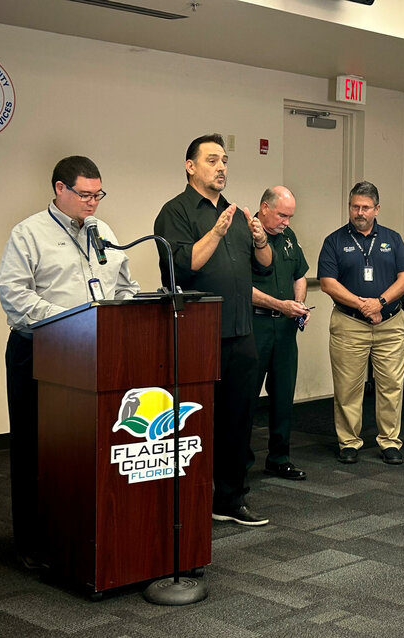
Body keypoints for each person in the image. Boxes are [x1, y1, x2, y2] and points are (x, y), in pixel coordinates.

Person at [0, 156, 140, 566]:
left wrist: (126, 314)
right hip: (41, 352)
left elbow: (126, 285)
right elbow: (15, 295)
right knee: (37, 450)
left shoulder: (103, 231)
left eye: (99, 194)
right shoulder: (29, 233)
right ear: (60, 189)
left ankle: (78, 532)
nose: (93, 202)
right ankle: (31, 544)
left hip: (98, 353)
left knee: (85, 448)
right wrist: (72, 323)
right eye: (85, 194)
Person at [154, 134, 272, 526]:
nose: (221, 167)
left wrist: (259, 241)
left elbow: (265, 267)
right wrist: (216, 232)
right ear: (190, 166)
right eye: (211, 160)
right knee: (196, 422)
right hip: (198, 336)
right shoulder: (175, 212)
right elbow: (184, 266)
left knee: (239, 420)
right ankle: (190, 499)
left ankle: (230, 498)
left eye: (224, 161)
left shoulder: (237, 213)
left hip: (240, 331)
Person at [317, 181, 404, 464]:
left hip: (390, 324)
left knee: (391, 386)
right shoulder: (334, 241)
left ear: (377, 209)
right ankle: (349, 442)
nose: (359, 212)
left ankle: (389, 442)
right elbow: (327, 283)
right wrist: (362, 304)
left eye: (365, 207)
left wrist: (379, 302)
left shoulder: (393, 239)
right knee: (347, 387)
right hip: (350, 323)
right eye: (354, 206)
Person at [251, 186, 310, 480]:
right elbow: (240, 288)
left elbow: (299, 273)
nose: (286, 221)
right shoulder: (244, 235)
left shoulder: (288, 237)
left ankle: (279, 457)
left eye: (290, 216)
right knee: (246, 398)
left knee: (283, 395)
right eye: (282, 215)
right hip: (255, 325)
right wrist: (280, 305)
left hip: (285, 328)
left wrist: (298, 304)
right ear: (264, 207)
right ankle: (239, 462)